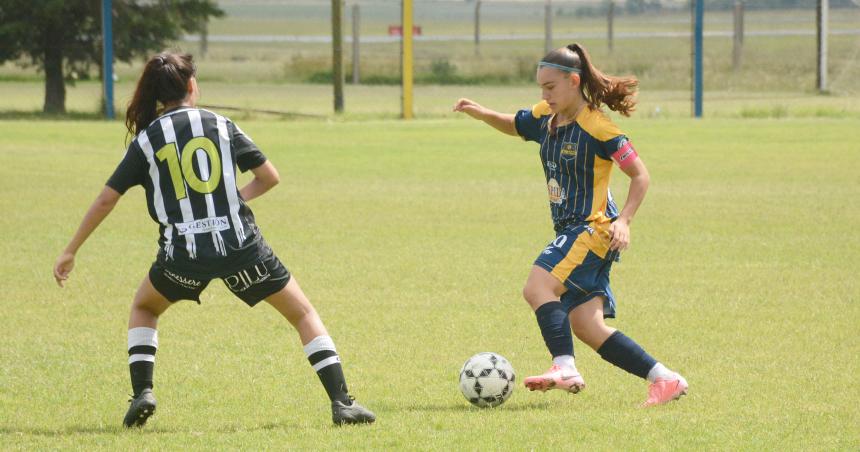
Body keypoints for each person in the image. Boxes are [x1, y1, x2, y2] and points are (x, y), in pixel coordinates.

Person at [53, 52, 375, 427]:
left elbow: (108, 198)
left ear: (157, 94)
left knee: (145, 308)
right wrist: (232, 201)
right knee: (302, 313)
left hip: (183, 255)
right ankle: (342, 402)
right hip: (241, 247)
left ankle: (143, 392)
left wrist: (71, 249)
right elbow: (269, 177)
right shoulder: (221, 124)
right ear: (192, 85)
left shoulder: (146, 140)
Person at [453, 43, 688, 406]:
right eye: (541, 88)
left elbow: (640, 175)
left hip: (592, 228)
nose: (544, 94)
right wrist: (482, 112)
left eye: (550, 87)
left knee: (537, 287)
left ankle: (564, 367)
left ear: (573, 81)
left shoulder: (599, 127)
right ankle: (665, 378)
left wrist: (625, 221)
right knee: (587, 327)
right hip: (573, 231)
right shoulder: (547, 116)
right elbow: (515, 124)